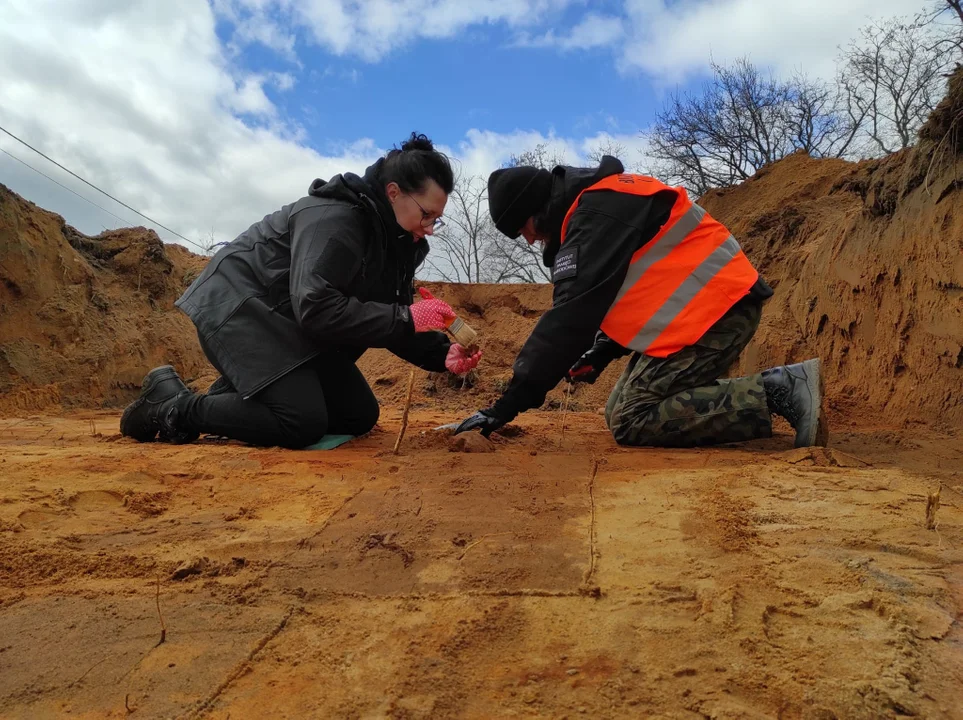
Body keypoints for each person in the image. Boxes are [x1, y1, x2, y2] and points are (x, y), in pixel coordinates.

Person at [121, 132, 481, 449]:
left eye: (437, 219)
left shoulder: (399, 245)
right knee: (299, 421)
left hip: (291, 325)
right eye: (427, 215)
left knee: (358, 415)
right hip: (239, 307)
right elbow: (317, 307)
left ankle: (240, 394)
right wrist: (405, 316)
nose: (431, 228)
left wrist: (441, 355)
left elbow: (389, 320)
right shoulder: (335, 219)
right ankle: (172, 406)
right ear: (393, 192)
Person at [453, 156, 827, 449]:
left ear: (536, 211)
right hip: (706, 310)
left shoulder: (593, 216)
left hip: (718, 313)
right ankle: (772, 392)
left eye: (524, 230)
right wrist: (601, 352)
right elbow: (645, 286)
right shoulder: (603, 203)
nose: (531, 240)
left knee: (630, 418)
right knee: (619, 409)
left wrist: (503, 409)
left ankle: (779, 390)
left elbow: (569, 320)